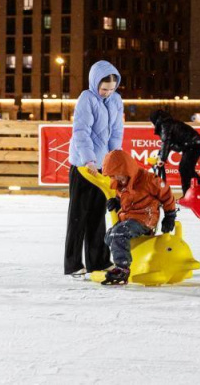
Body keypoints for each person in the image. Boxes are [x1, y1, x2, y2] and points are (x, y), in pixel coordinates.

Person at [64, 60, 124, 278]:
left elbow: (117, 132)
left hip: (103, 169)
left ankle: (98, 261)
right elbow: (81, 132)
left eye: (112, 89)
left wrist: (115, 160)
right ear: (95, 82)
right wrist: (89, 160)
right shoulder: (87, 98)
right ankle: (73, 264)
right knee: (78, 216)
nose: (107, 93)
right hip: (83, 167)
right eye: (104, 89)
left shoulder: (116, 100)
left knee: (98, 216)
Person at [100, 149, 177, 285]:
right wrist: (117, 201)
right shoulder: (120, 182)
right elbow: (124, 196)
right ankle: (130, 261)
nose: (116, 178)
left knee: (118, 233)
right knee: (109, 236)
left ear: (127, 169)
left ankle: (122, 268)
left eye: (118, 174)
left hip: (145, 218)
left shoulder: (149, 179)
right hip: (129, 219)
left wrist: (170, 215)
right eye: (113, 176)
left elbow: (167, 195)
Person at [149, 108, 200, 194]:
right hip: (193, 144)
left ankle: (193, 192)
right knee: (186, 169)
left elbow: (166, 142)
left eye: (151, 122)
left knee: (184, 169)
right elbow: (168, 144)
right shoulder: (168, 124)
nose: (151, 125)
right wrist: (161, 156)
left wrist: (162, 159)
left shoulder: (165, 125)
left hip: (193, 145)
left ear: (155, 120)